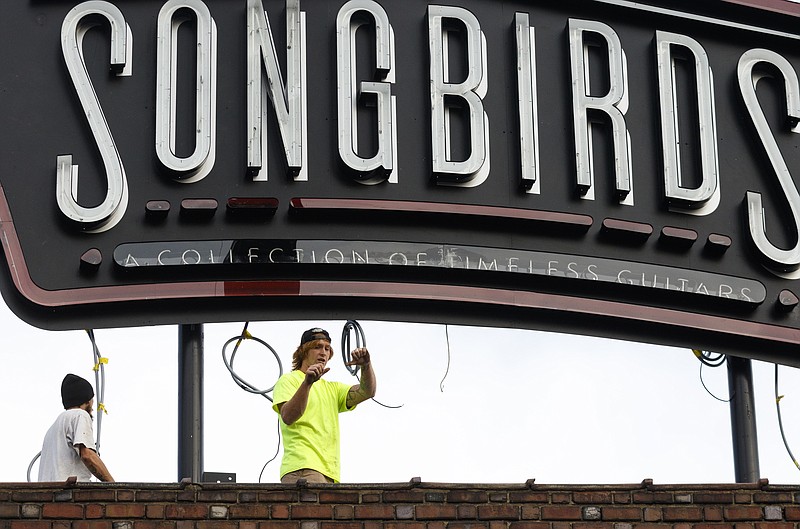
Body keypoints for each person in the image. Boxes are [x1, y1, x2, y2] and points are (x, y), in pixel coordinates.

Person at [272, 327, 376, 484]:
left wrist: (366, 366)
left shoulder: (332, 388)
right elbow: (288, 416)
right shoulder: (289, 380)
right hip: (303, 468)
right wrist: (307, 383)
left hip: (329, 472)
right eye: (317, 347)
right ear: (303, 351)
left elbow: (367, 392)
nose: (323, 352)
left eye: (327, 348)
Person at [38, 374, 114, 482]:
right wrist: (113, 486)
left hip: (48, 495)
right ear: (87, 400)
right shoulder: (80, 415)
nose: (93, 405)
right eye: (92, 399)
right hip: (69, 494)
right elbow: (87, 456)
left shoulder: (53, 428)